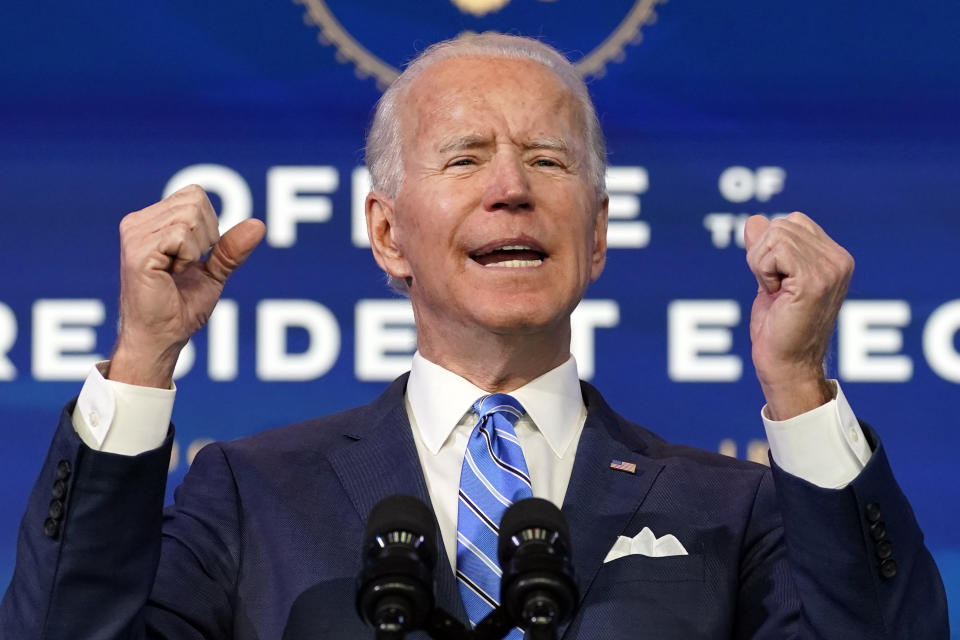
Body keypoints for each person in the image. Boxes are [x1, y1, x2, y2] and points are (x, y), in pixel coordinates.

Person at [0, 32, 948, 639]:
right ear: (386, 233)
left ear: (601, 235)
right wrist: (140, 363)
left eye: (546, 159)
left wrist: (798, 385)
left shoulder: (730, 509)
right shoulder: (251, 494)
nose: (512, 187)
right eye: (465, 158)